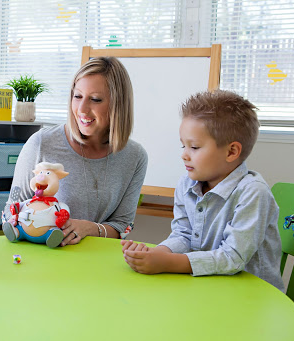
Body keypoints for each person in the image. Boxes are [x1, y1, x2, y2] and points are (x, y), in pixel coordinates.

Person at [122, 90, 284, 291]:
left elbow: (232, 257)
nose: (184, 155)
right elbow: (183, 234)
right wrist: (158, 253)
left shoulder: (253, 193)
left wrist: (167, 263)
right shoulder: (186, 184)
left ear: (231, 151)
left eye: (195, 147)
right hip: (209, 285)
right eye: (183, 146)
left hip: (254, 296)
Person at [3, 57, 148, 246]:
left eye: (95, 99)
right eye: (77, 96)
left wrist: (89, 228)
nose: (81, 109)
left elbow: (122, 226)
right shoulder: (41, 143)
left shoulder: (135, 157)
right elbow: (11, 208)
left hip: (95, 261)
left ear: (118, 104)